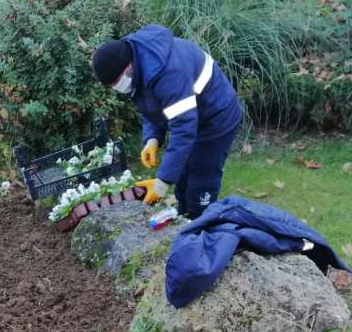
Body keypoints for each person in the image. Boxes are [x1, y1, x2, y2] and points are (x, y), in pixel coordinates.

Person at [91, 24, 242, 218]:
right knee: (183, 174)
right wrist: (152, 139)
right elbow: (151, 105)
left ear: (127, 68)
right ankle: (184, 214)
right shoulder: (138, 61)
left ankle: (201, 223)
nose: (115, 88)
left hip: (217, 116)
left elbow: (183, 129)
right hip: (194, 115)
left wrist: (161, 184)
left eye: (115, 83)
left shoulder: (169, 73)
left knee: (202, 175)